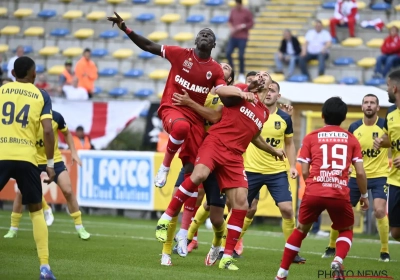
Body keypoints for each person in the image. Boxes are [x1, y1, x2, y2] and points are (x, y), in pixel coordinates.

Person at [156, 72, 286, 271]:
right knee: (198, 175)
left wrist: (273, 150)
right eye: (258, 74)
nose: (260, 76)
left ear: (270, 87)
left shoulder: (264, 113)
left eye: (265, 75)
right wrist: (244, 93)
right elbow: (220, 90)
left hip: (234, 157)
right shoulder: (241, 89)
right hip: (215, 144)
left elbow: (255, 137)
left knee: (241, 203)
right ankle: (167, 220)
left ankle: (226, 256)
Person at [107, 12, 229, 190]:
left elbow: (222, 91)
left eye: (209, 35)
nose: (205, 35)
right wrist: (125, 28)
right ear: (195, 40)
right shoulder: (180, 54)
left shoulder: (216, 70)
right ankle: (165, 167)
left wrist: (242, 92)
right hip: (173, 108)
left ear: (214, 44)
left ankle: (181, 217)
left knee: (191, 168)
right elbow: (149, 45)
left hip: (195, 118)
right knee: (181, 127)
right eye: (201, 33)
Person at [275, 97, 369, 280]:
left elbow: (305, 169)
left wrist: (313, 183)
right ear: (344, 118)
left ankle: (282, 273)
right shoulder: (351, 140)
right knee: (346, 228)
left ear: (322, 115)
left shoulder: (311, 137)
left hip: (315, 191)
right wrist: (364, 194)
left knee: (301, 229)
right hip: (339, 192)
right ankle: (338, 260)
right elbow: (360, 173)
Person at [161, 63, 235, 265]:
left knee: (217, 218)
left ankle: (216, 245)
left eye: (226, 67)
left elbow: (214, 116)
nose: (221, 67)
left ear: (227, 80)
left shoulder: (228, 101)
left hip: (216, 159)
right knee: (176, 204)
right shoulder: (198, 92)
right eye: (220, 65)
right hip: (195, 155)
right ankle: (167, 251)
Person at [224, 80, 305, 264]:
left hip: (276, 171)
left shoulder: (285, 118)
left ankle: (292, 251)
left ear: (278, 95)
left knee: (286, 209)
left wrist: (292, 166)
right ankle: (227, 246)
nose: (269, 93)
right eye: (267, 90)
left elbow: (290, 144)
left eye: (273, 90)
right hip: (251, 169)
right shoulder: (252, 112)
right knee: (243, 208)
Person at [0, 56, 56, 279]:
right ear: (34, 75)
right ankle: (44, 267)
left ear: (13, 74)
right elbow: (49, 131)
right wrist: (50, 164)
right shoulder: (41, 95)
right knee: (36, 210)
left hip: (2, 153)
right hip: (27, 158)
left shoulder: (2, 91)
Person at [322, 94, 390, 262]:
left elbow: (393, 141)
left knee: (380, 210)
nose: (369, 105)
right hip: (356, 176)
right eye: (366, 102)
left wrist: (383, 141)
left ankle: (384, 251)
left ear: (377, 107)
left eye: (372, 103)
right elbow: (348, 151)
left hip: (380, 175)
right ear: (361, 107)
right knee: (340, 211)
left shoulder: (385, 125)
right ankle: (331, 246)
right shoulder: (354, 127)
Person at [4, 110, 91, 240]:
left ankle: (80, 227)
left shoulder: (56, 117)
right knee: (21, 193)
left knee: (68, 190)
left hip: (54, 160)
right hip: (33, 159)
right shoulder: (27, 117)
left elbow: (66, 133)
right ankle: (13, 228)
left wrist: (73, 152)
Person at [373, 69, 400, 243]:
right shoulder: (390, 112)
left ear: (395, 88)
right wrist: (381, 142)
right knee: (396, 232)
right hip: (395, 179)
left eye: (388, 86)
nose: (387, 89)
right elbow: (389, 138)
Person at [226, 0, 254, 82]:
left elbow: (251, 23)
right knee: (228, 52)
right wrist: (231, 28)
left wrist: (243, 26)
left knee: (241, 55)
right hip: (233, 36)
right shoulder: (233, 11)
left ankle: (241, 73)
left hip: (242, 37)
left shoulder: (246, 12)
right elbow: (230, 21)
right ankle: (232, 70)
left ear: (241, 4)